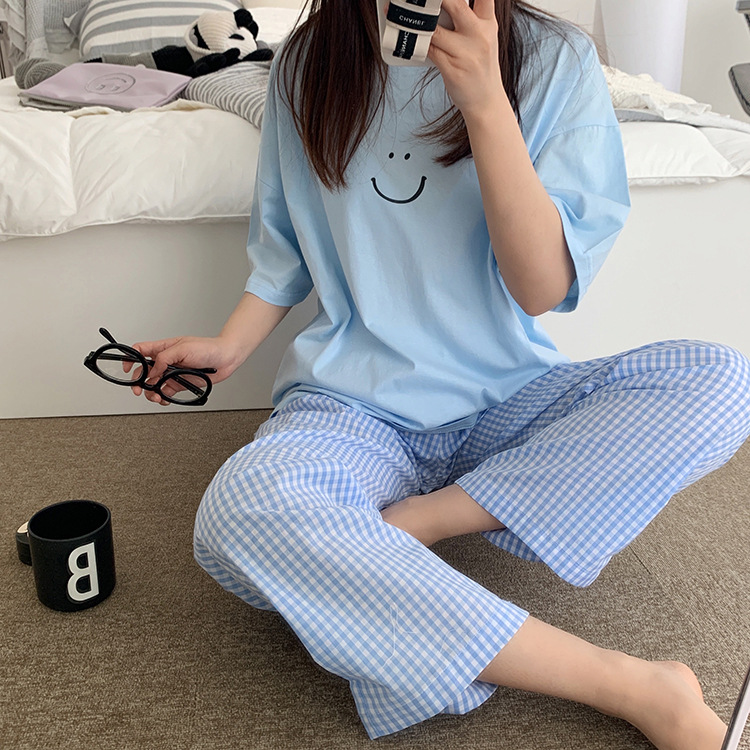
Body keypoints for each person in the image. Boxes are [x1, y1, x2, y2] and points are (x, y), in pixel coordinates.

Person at [128, 0, 750, 746]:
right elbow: (286, 242)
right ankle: (632, 685)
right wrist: (231, 345)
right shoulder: (307, 63)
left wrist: (485, 101)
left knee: (719, 381)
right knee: (243, 508)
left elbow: (541, 288)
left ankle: (419, 524)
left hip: (511, 397)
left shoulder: (554, 59)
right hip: (354, 408)